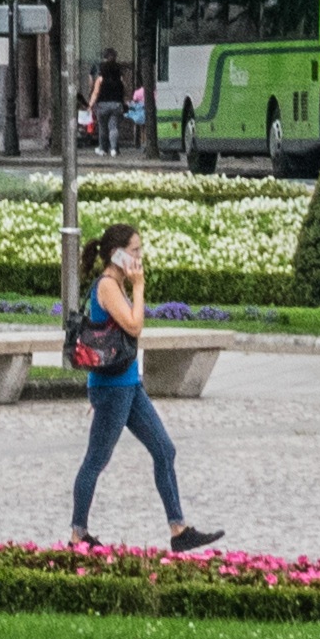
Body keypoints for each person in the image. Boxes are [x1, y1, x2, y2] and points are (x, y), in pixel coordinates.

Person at [66, 216, 217, 554]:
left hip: (129, 385)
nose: (140, 257)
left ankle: (179, 530)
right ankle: (78, 534)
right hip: (112, 388)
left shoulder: (115, 283)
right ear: (117, 255)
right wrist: (139, 286)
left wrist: (133, 285)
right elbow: (134, 326)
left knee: (165, 450)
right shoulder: (107, 285)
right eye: (135, 251)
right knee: (96, 459)